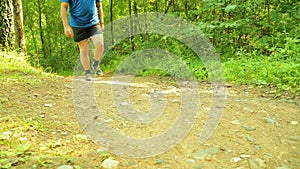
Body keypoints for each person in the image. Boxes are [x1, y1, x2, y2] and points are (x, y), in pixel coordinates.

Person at [60, 0, 105, 81]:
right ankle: (87, 72)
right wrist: (66, 26)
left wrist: (102, 23)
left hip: (93, 22)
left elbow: (99, 5)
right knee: (84, 48)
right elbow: (63, 7)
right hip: (77, 24)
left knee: (100, 44)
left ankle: (95, 64)